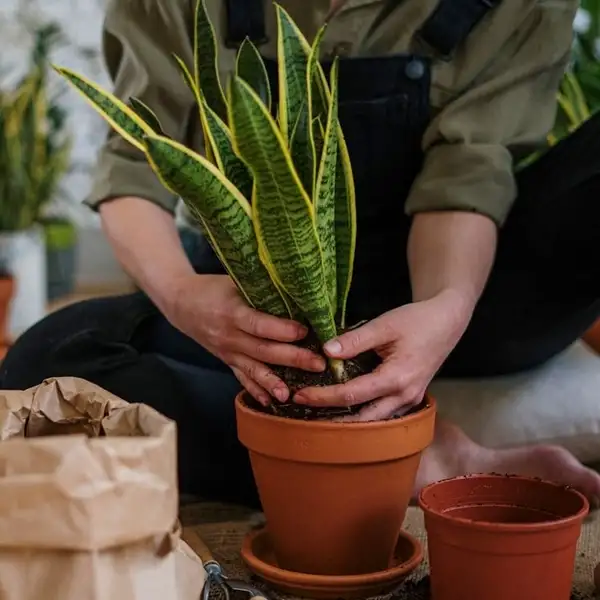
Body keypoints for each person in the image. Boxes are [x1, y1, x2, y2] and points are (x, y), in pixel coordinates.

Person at [2, 0, 600, 507]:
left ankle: (341, 451)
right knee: (46, 362)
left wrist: (448, 305)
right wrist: (184, 297)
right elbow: (136, 166)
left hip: (469, 295)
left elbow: (466, 175)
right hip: (269, 314)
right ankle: (415, 462)